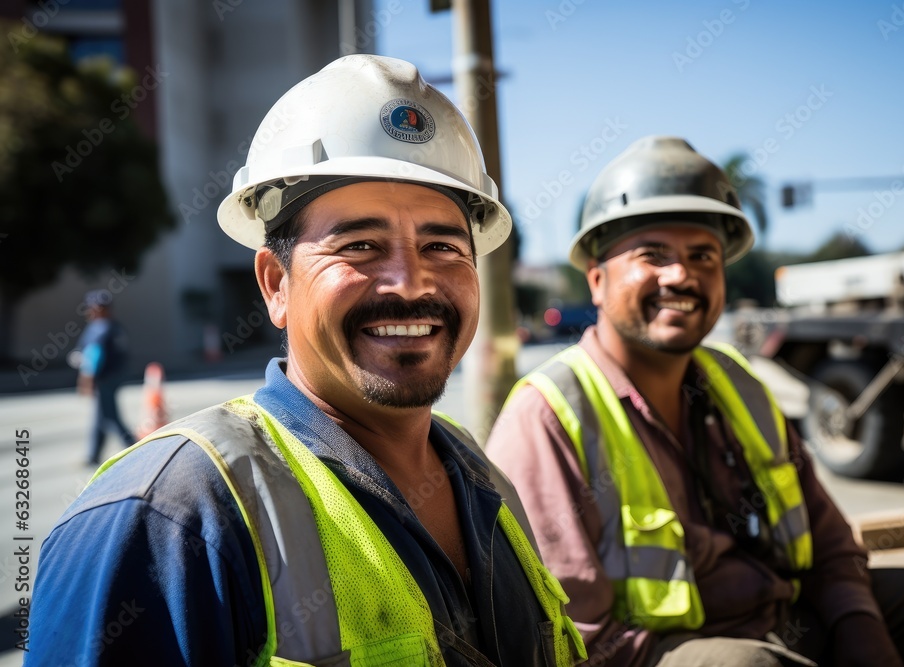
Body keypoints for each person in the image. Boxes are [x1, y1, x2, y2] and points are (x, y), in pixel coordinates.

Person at [27, 55, 585, 667]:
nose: (409, 282)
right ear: (275, 285)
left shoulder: (480, 474)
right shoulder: (167, 518)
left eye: (442, 246)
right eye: (360, 246)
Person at [486, 136, 904, 666]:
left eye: (702, 256)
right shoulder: (551, 416)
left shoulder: (737, 387)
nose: (682, 275)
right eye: (654, 255)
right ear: (597, 281)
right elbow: (571, 638)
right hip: (651, 656)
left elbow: (830, 541)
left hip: (776, 621)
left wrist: (860, 628)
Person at [75, 288, 134, 465]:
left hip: (104, 377)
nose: (89, 311)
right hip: (115, 376)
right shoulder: (115, 326)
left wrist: (86, 378)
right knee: (101, 416)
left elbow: (94, 354)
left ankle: (134, 447)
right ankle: (93, 455)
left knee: (110, 417)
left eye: (92, 307)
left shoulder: (100, 327)